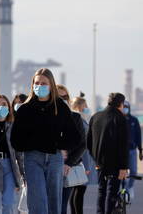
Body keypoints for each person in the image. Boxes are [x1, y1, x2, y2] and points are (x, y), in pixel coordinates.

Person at [10, 68, 81, 214]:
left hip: (55, 159)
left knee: (54, 202)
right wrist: (33, 143)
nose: (40, 86)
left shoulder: (60, 107)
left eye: (44, 83)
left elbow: (75, 136)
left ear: (51, 85)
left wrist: (58, 144)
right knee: (38, 201)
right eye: (37, 83)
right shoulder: (25, 109)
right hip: (32, 159)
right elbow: (15, 140)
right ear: (32, 85)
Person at [87, 93, 129, 214]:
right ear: (121, 104)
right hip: (116, 164)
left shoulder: (95, 117)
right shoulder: (120, 118)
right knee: (112, 192)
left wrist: (96, 159)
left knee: (101, 191)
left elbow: (89, 142)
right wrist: (123, 167)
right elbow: (123, 145)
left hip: (100, 163)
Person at [56, 85, 86, 214]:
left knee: (62, 205)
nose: (62, 99)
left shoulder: (75, 118)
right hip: (47, 166)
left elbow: (82, 144)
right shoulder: (43, 118)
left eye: (65, 97)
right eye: (59, 97)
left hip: (65, 169)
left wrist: (69, 163)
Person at [69, 96, 98, 214]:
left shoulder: (82, 118)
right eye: (85, 106)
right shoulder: (78, 118)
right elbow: (82, 143)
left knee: (77, 189)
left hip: (82, 158)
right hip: (81, 159)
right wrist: (85, 165)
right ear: (80, 106)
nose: (87, 108)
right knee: (79, 189)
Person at [122, 100, 142, 199]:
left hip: (132, 150)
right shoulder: (118, 119)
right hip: (120, 151)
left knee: (133, 171)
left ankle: (130, 187)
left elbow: (138, 135)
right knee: (122, 171)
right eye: (123, 106)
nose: (125, 108)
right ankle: (123, 189)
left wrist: (140, 149)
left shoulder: (134, 120)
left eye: (126, 106)